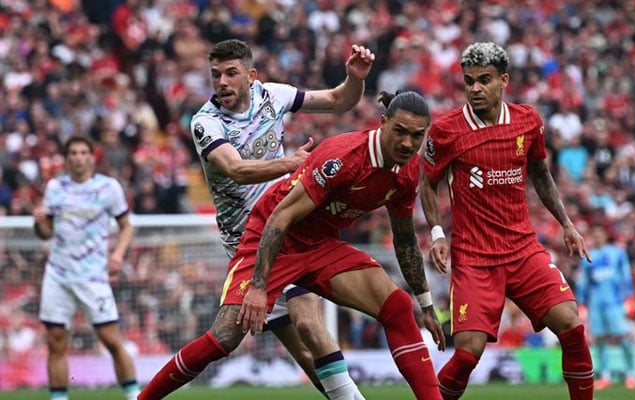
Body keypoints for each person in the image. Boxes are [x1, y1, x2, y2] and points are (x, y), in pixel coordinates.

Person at [140, 90, 446, 400]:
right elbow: (279, 217)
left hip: (319, 245)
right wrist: (258, 288)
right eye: (400, 132)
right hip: (273, 239)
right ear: (383, 123)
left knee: (396, 306)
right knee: (226, 336)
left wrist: (426, 304)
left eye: (417, 136)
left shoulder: (407, 173)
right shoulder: (342, 158)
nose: (408, 143)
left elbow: (406, 239)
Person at [139, 38, 375, 399]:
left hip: (288, 228)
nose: (222, 83)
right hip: (246, 240)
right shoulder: (206, 122)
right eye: (216, 75)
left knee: (310, 324)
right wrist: (291, 164)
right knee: (239, 340)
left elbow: (338, 100)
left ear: (251, 76)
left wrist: (355, 78)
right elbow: (236, 170)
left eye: (231, 73)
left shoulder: (273, 96)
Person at [419, 42, 595, 400]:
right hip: (474, 257)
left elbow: (541, 175)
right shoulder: (447, 129)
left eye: (484, 80)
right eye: (469, 81)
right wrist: (437, 233)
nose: (475, 89)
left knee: (571, 326)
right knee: (467, 353)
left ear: (504, 81)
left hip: (523, 250)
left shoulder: (528, 121)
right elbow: (428, 182)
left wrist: (567, 224)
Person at [33, 136, 139, 400]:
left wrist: (117, 254)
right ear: (67, 158)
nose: (79, 157)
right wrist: (37, 222)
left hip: (93, 276)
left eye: (83, 152)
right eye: (73, 153)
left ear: (92, 157)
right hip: (58, 275)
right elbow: (45, 233)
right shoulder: (55, 187)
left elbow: (127, 226)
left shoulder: (108, 188)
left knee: (111, 340)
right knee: (56, 342)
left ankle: (134, 396)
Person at [576, 225, 635, 390]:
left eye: (599, 235)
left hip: (614, 303)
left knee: (623, 337)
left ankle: (631, 374)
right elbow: (583, 282)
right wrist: (581, 302)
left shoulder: (617, 253)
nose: (596, 238)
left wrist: (629, 296)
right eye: (594, 235)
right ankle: (605, 376)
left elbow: (626, 275)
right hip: (596, 304)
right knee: (601, 339)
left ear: (605, 236)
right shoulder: (588, 256)